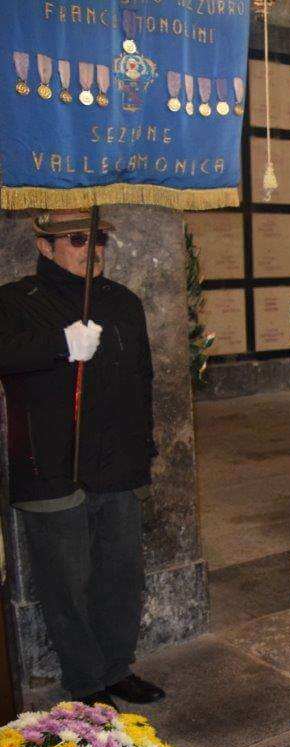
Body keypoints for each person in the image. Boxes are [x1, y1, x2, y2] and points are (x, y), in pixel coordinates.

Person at [0, 210, 164, 708]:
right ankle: (85, 680)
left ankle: (116, 668)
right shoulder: (16, 300)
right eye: (76, 239)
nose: (91, 249)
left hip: (116, 463)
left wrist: (144, 449)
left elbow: (142, 380)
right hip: (53, 466)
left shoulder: (122, 301)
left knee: (121, 576)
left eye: (98, 240)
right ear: (44, 246)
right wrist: (60, 345)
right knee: (66, 584)